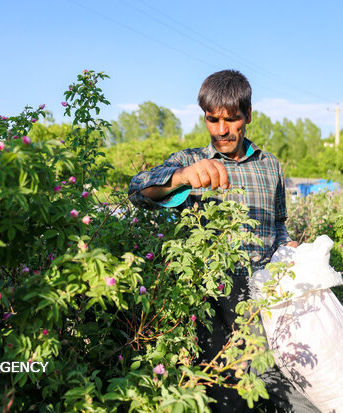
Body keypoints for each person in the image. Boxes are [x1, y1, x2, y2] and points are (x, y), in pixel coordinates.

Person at [128, 70, 318, 412]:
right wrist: (180, 179)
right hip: (211, 297)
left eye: (231, 120)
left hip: (264, 295)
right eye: (212, 120)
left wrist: (286, 246)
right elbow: (138, 191)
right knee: (226, 394)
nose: (221, 130)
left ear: (247, 116)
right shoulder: (188, 162)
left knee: (285, 388)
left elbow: (279, 224)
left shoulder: (269, 166)